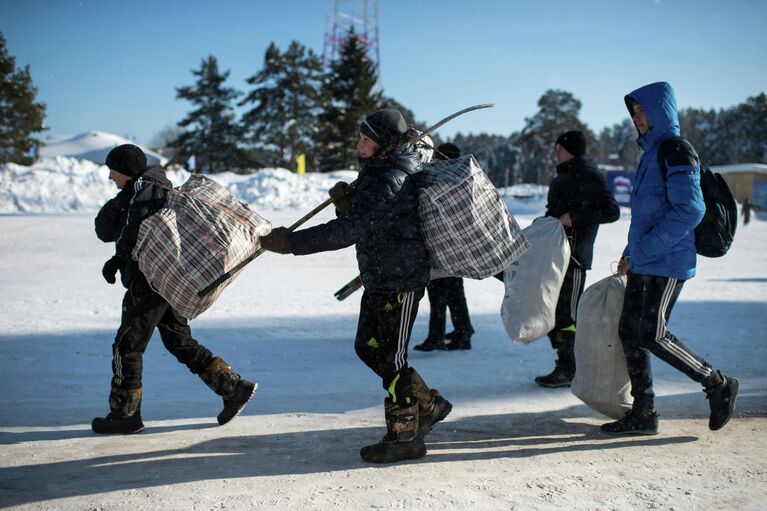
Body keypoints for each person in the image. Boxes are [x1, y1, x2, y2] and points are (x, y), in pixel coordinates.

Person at [260, 108, 451, 463]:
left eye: (366, 139)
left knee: (392, 358)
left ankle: (405, 436)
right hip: (380, 276)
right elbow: (369, 223)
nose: (358, 145)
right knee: (368, 347)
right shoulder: (376, 172)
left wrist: (292, 242)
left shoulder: (389, 178)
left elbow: (350, 231)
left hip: (400, 280)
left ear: (383, 145)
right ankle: (428, 403)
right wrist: (346, 205)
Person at [602, 82, 739, 435]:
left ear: (660, 112)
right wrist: (631, 253)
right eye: (634, 113)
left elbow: (690, 209)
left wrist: (645, 250)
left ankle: (717, 382)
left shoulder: (677, 150)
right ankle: (644, 413)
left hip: (669, 261)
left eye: (642, 111)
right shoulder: (651, 153)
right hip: (647, 259)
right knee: (630, 332)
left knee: (652, 332)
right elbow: (648, 214)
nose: (637, 118)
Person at [92, 144, 256, 434]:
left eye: (113, 171)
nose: (110, 177)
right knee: (178, 340)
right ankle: (233, 388)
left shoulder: (143, 193)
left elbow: (127, 232)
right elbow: (105, 229)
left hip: (150, 282)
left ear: (125, 171)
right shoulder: (148, 189)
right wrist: (123, 197)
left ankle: (124, 415)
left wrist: (118, 259)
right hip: (167, 282)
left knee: (127, 346)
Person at [535, 130, 620, 388]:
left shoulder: (589, 174)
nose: (555, 153)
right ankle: (564, 362)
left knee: (566, 315)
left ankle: (569, 367)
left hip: (575, 258)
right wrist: (544, 224)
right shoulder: (563, 177)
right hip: (555, 256)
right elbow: (555, 210)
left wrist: (575, 217)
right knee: (551, 312)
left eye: (558, 148)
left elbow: (611, 211)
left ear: (571, 149)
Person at [413, 142, 475, 352]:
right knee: (454, 291)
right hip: (456, 245)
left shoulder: (444, 180)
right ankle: (463, 330)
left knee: (439, 291)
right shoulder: (462, 177)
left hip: (443, 245)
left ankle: (438, 336)